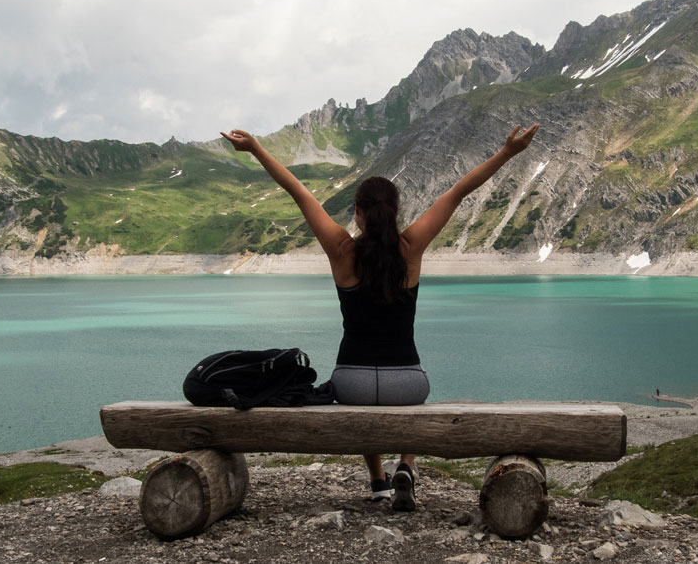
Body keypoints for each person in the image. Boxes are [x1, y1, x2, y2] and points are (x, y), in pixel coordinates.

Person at [220, 122, 539, 511]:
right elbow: (458, 193)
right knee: (416, 392)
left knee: (364, 403)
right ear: (396, 210)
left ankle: (377, 481)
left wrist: (255, 148)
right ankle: (406, 464)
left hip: (350, 382)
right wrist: (508, 152)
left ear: (357, 213)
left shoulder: (341, 250)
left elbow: (298, 191)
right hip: (406, 383)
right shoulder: (411, 247)